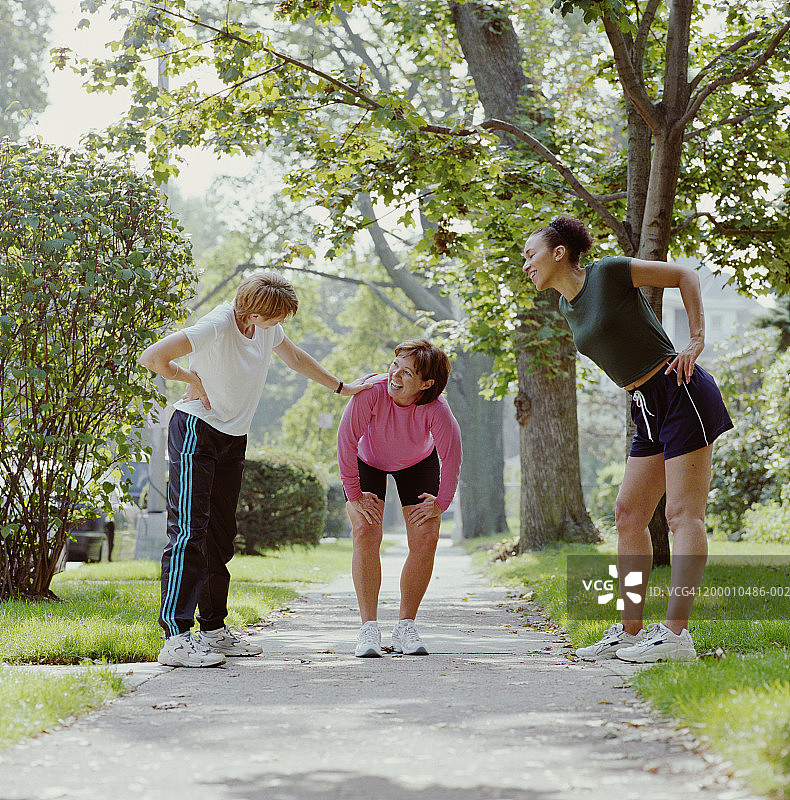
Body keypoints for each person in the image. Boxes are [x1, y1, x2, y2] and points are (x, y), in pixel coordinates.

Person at [522, 216, 733, 663]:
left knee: (681, 515)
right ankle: (631, 631)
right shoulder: (566, 307)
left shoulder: (609, 272)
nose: (526, 265)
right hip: (644, 404)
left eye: (530, 254)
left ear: (559, 252)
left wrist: (695, 339)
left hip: (679, 388)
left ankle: (677, 636)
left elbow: (683, 275)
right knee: (628, 514)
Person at [139, 272, 370, 667]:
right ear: (252, 310)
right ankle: (175, 639)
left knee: (221, 535)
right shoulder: (217, 324)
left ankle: (212, 631)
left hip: (233, 434)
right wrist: (189, 377)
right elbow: (153, 357)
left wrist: (341, 387)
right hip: (198, 428)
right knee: (189, 531)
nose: (278, 325)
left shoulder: (266, 329)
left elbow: (296, 358)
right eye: (274, 317)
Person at [337, 339, 462, 658]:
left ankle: (406, 625)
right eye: (395, 365)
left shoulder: (436, 408)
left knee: (426, 536)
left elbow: (452, 457)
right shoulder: (370, 392)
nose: (395, 375)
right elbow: (346, 442)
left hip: (417, 463)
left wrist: (440, 504)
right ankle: (368, 629)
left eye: (407, 372)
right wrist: (354, 496)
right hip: (367, 461)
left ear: (426, 383)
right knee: (365, 532)